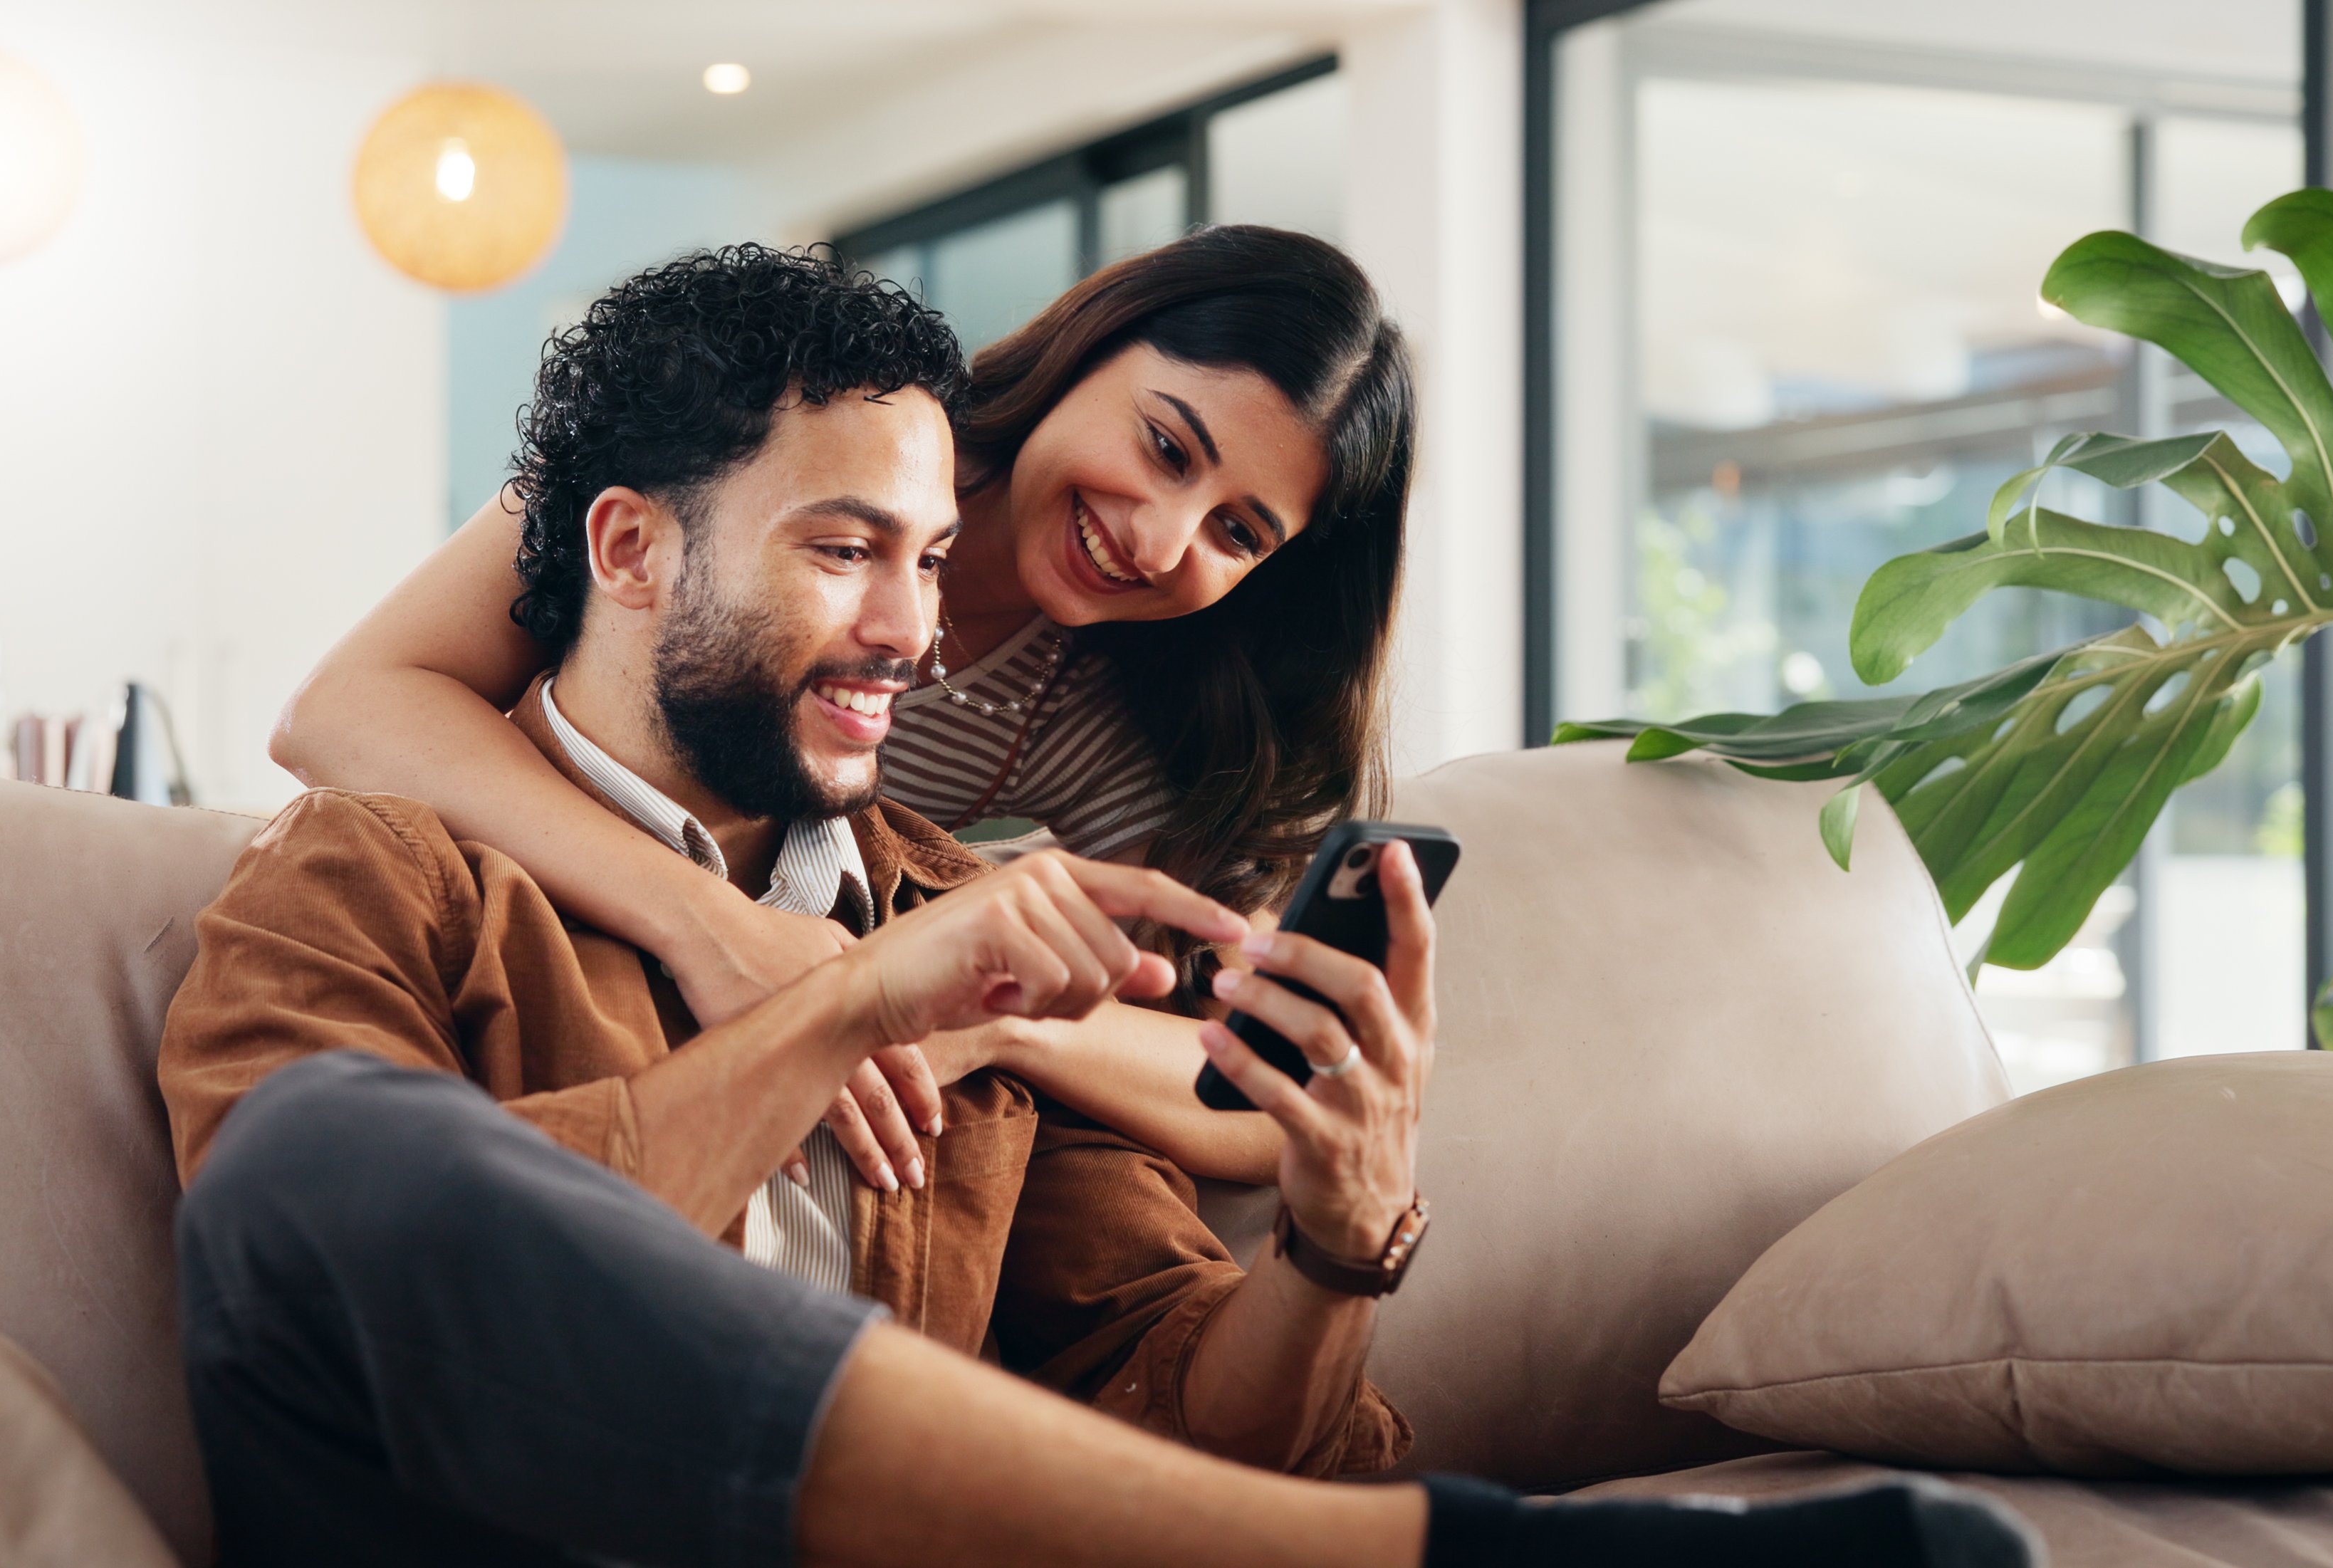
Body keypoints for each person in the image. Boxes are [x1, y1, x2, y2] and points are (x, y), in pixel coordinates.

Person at [161, 246, 2038, 1568]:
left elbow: (1171, 1399)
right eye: (845, 553)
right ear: (637, 549)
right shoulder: (388, 867)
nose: (914, 628)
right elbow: (308, 1286)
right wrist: (821, 998)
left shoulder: (986, 909)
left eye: (926, 563)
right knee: (315, 1155)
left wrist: (1336, 1230)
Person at [271, 225, 1414, 1196]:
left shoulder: (1173, 717)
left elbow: (1258, 1098)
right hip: (564, 968)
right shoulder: (789, 418)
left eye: (1238, 533)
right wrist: (714, 927)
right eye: (1166, 447)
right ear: (1092, 347)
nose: (1161, 539)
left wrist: (979, 1010)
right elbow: (344, 708)